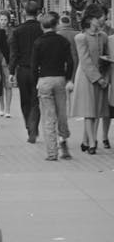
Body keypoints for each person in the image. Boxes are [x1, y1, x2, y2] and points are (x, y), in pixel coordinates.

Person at [31, 11, 75, 161]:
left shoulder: (38, 42)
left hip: (44, 80)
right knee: (62, 113)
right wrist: (68, 78)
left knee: (49, 117)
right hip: (60, 79)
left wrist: (36, 80)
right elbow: (70, 62)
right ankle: (63, 140)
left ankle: (52, 153)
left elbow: (34, 65)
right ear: (56, 25)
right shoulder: (62, 41)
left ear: (42, 27)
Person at [70, 3, 110, 153]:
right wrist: (98, 78)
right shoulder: (81, 37)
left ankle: (86, 140)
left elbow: (106, 57)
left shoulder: (103, 36)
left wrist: (104, 76)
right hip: (87, 78)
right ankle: (93, 143)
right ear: (92, 19)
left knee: (97, 110)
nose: (102, 19)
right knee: (89, 111)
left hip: (100, 77)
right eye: (100, 16)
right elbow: (85, 61)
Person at [9, 1, 44, 143]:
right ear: (38, 13)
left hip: (23, 70)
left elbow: (14, 54)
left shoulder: (17, 31)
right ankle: (34, 126)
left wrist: (11, 72)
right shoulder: (41, 30)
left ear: (24, 12)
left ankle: (29, 127)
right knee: (36, 100)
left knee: (25, 101)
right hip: (39, 70)